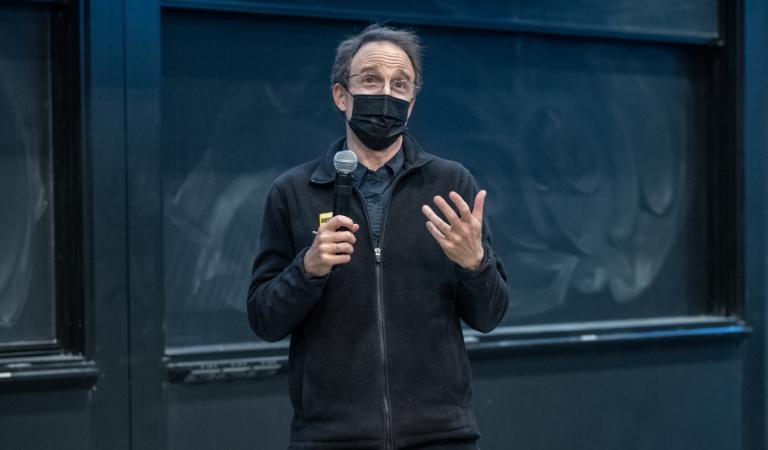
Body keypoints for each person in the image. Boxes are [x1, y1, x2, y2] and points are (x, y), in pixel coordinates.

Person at [247, 24, 509, 450]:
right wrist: (308, 269)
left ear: (412, 101)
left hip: (441, 435)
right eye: (370, 79)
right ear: (340, 95)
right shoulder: (294, 192)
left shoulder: (450, 183)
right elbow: (264, 319)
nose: (386, 93)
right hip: (331, 437)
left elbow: (490, 316)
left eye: (400, 84)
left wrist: (473, 263)